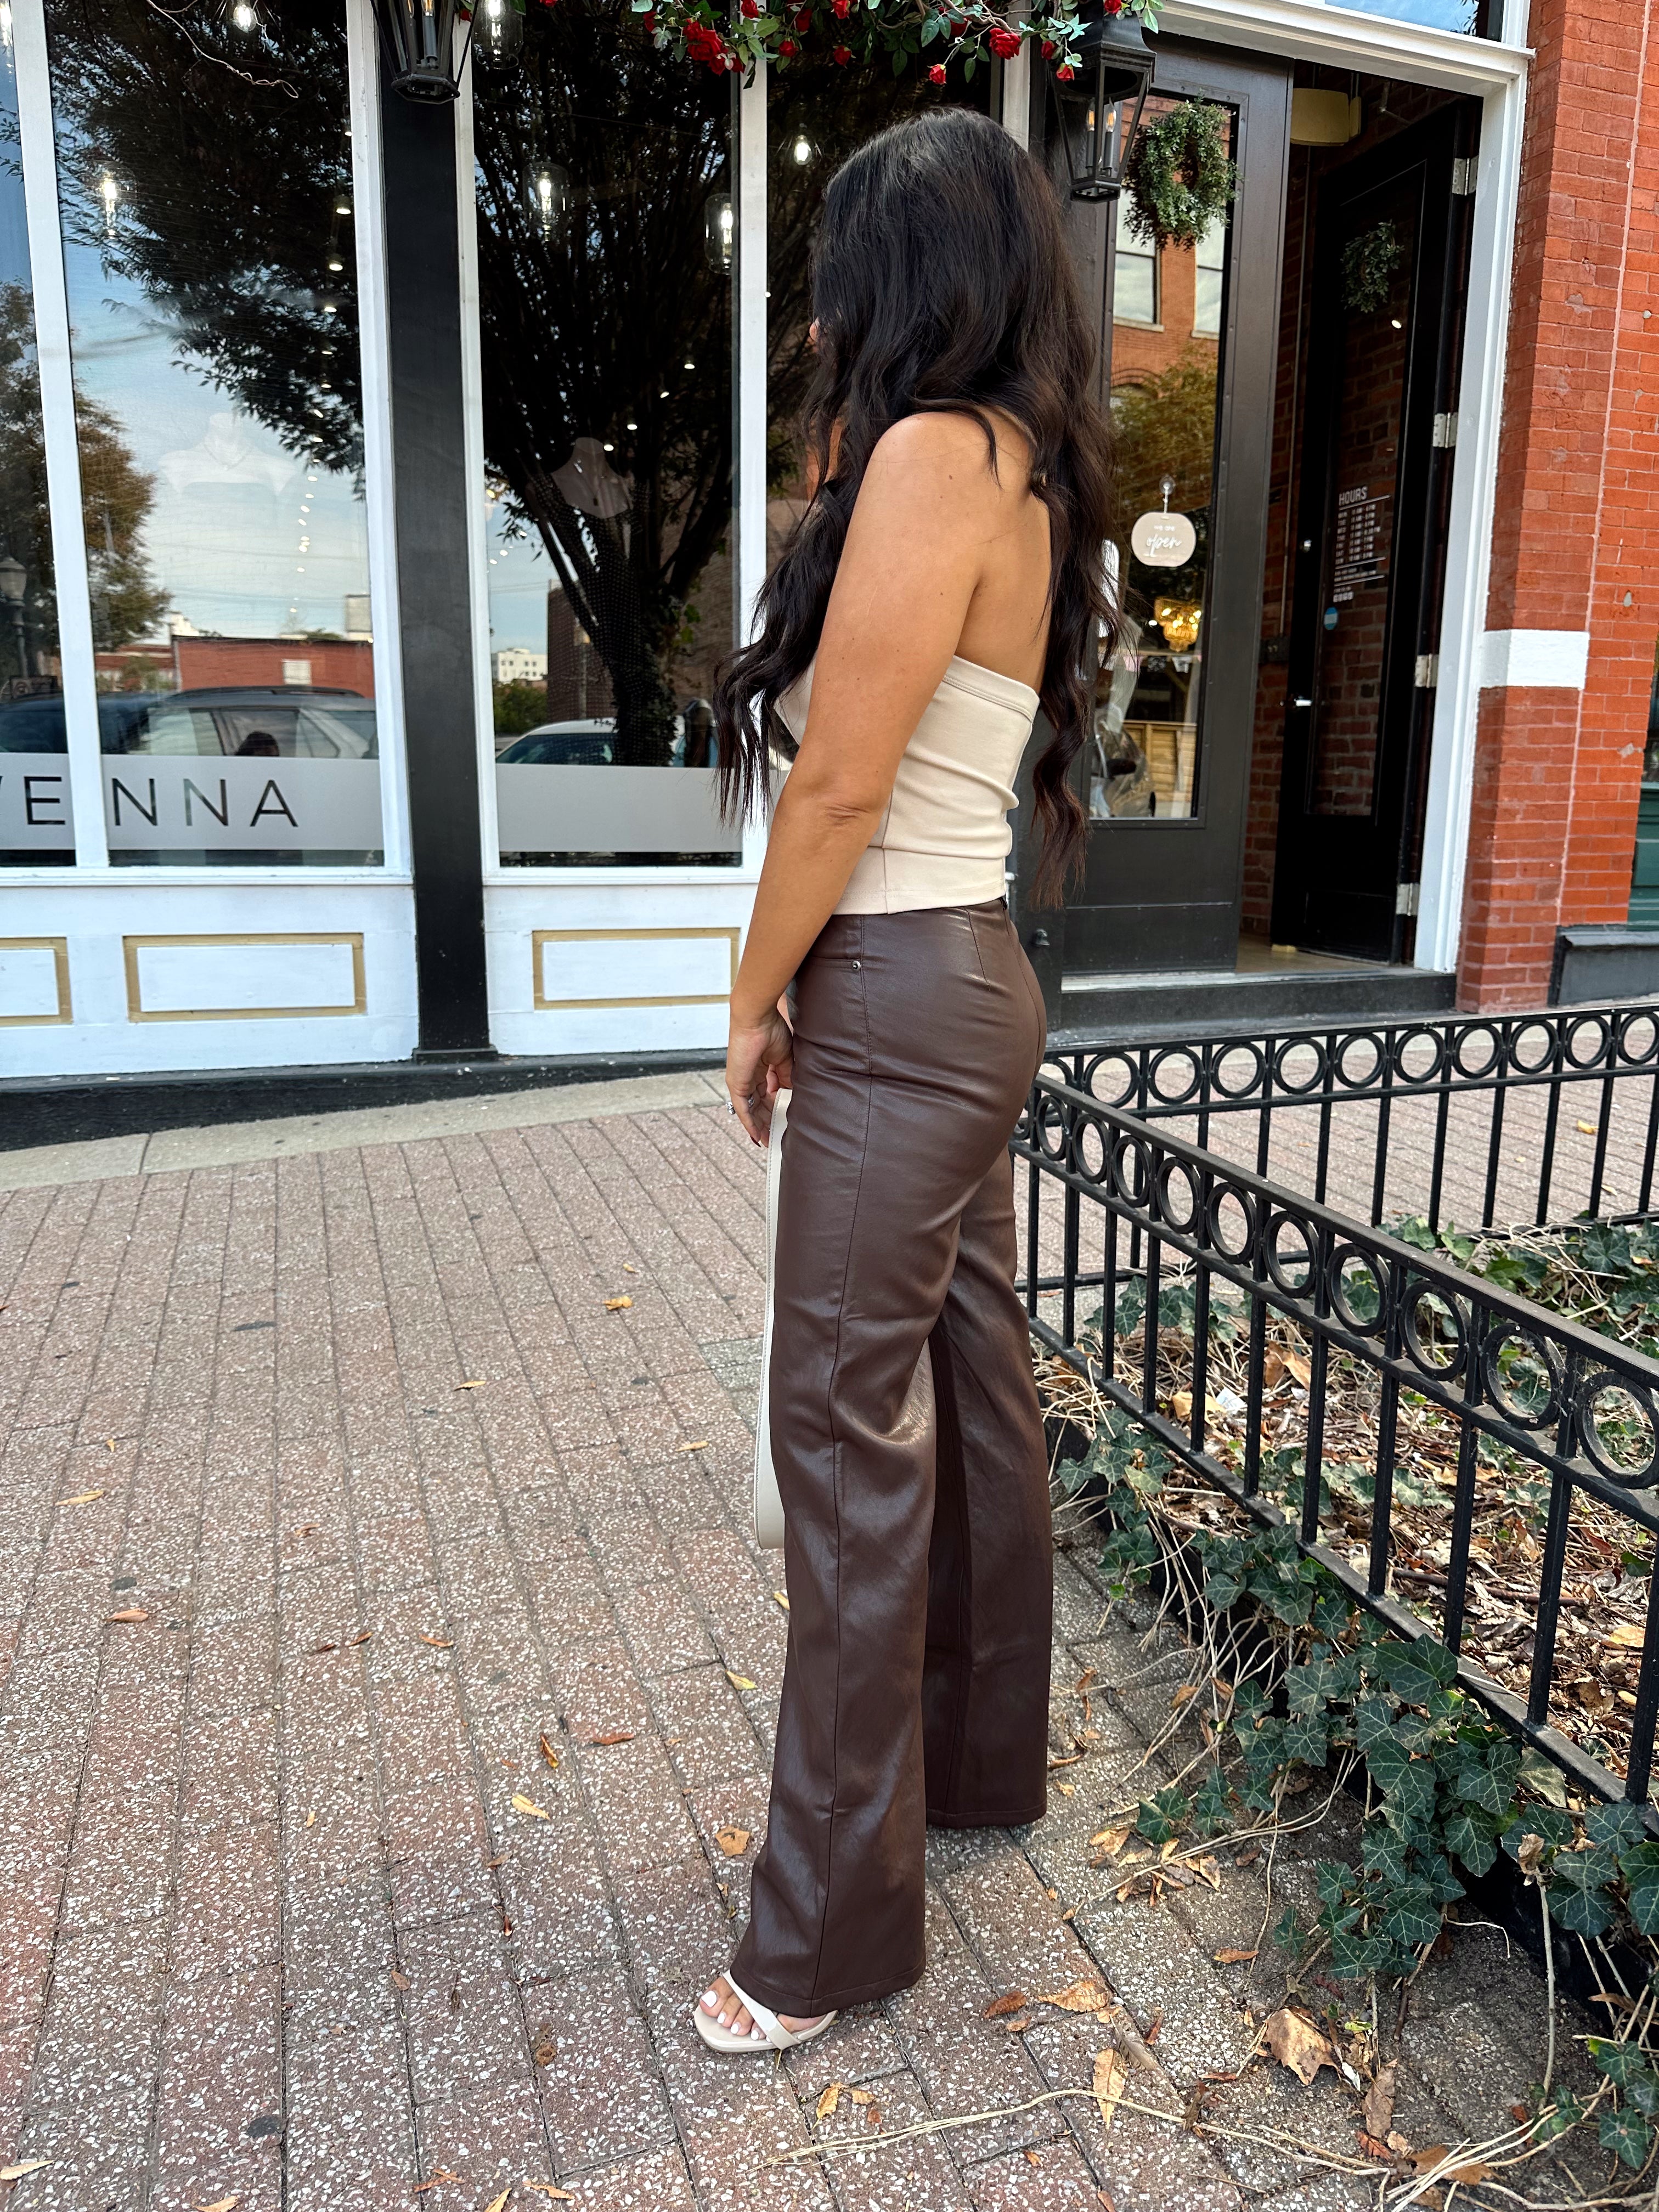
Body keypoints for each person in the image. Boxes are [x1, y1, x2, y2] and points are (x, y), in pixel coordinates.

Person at [696, 104, 1115, 2055]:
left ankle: (824, 1940)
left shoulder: (938, 456)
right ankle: (975, 1770)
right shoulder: (1018, 467)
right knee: (967, 1382)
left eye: (845, 268)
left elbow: (841, 787)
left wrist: (750, 998)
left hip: (890, 982)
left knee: (845, 1450)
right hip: (971, 978)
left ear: (906, 273)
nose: (825, 307)